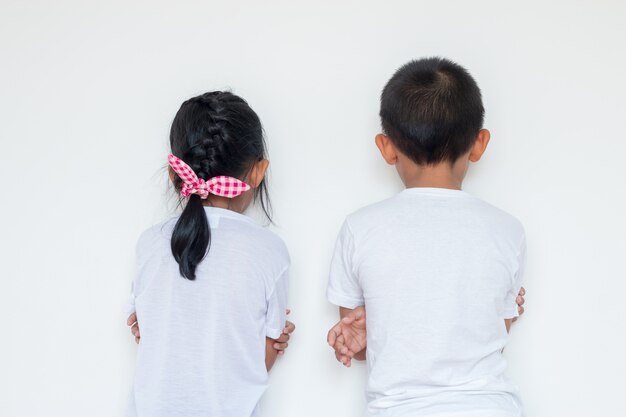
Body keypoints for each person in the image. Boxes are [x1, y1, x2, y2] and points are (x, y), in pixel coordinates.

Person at [326, 57, 527, 417]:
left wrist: (356, 342)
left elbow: (358, 341)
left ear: (387, 147)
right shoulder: (508, 230)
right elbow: (495, 334)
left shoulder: (360, 228)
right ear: (479, 143)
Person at [124, 91, 294, 417]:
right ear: (258, 171)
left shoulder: (149, 243)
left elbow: (143, 330)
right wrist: (272, 341)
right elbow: (263, 355)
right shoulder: (270, 250)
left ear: (175, 172)